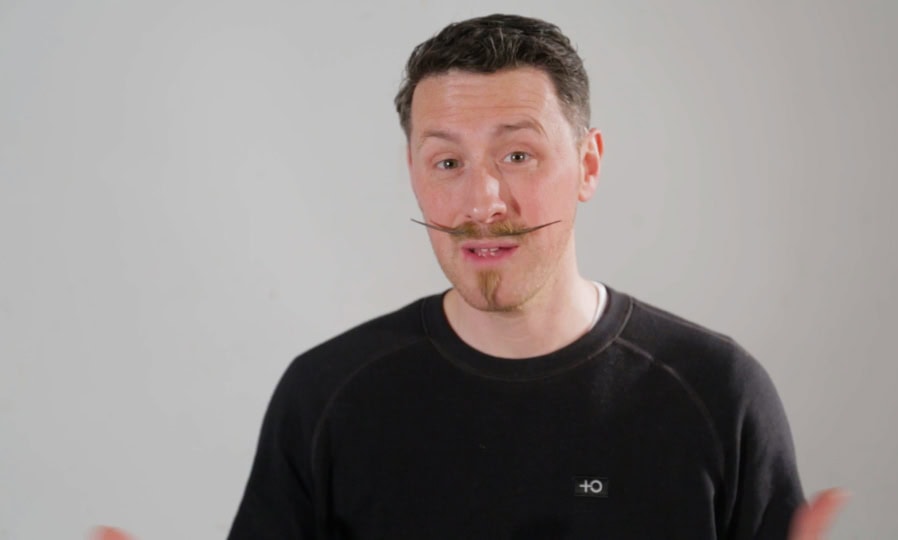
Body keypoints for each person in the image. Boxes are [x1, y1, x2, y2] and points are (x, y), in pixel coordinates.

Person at [92, 13, 846, 540]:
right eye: (447, 162)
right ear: (413, 175)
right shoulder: (326, 398)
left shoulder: (716, 392)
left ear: (587, 165)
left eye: (517, 155)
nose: (482, 203)